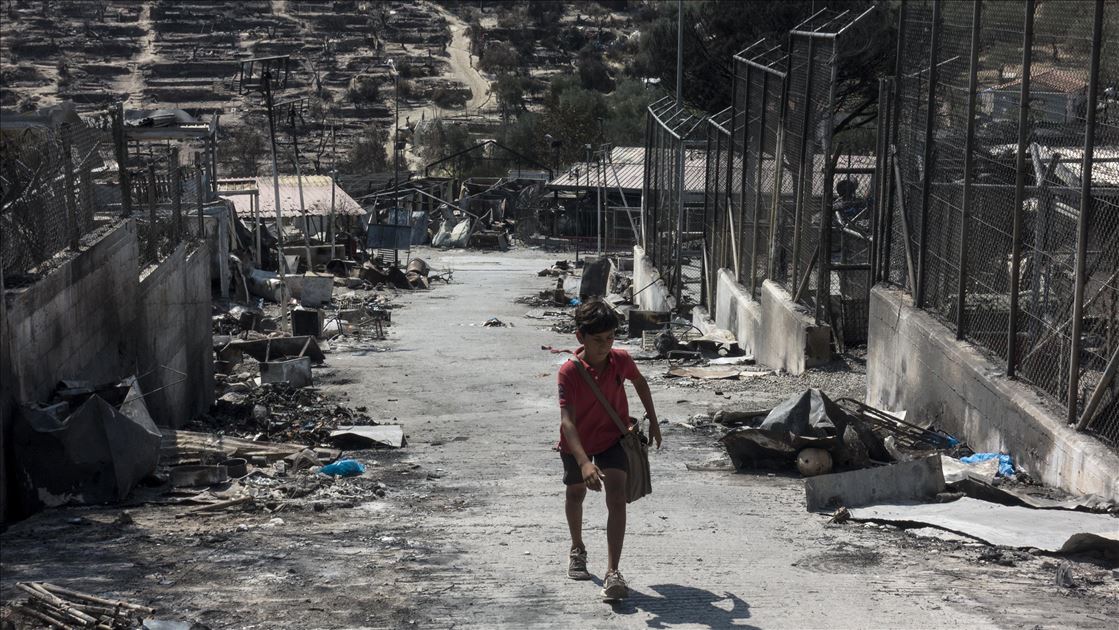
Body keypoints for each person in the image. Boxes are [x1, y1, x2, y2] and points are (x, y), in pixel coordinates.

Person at [557, 299, 662, 600]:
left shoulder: (621, 360)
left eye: (610, 338)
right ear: (580, 337)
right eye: (597, 340)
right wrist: (584, 463)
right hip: (577, 443)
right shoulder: (569, 372)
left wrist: (653, 420)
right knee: (575, 493)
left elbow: (640, 383)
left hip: (613, 439)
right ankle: (577, 548)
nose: (605, 346)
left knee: (617, 498)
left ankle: (613, 571)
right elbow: (567, 422)